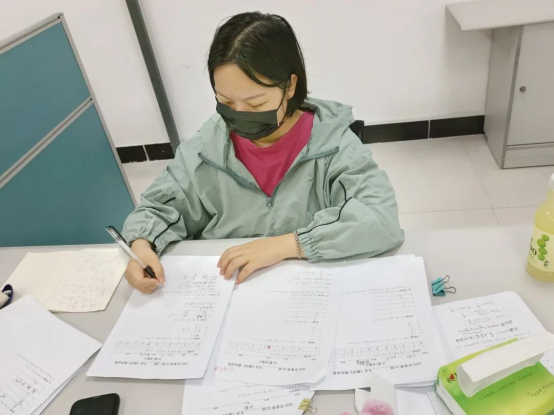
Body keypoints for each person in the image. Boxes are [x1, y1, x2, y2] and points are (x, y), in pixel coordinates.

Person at [122, 12, 404, 293]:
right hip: (225, 290)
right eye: (226, 102)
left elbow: (380, 220)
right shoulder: (205, 149)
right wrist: (142, 246)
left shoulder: (333, 144)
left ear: (289, 86)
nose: (239, 114)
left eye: (255, 104)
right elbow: (158, 208)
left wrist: (290, 244)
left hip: (306, 291)